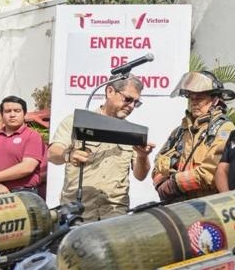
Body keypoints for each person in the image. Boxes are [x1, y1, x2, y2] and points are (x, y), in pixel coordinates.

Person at [49, 77, 156, 219]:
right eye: (128, 99)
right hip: (79, 212)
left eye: (136, 103)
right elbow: (52, 153)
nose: (131, 106)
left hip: (114, 214)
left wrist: (143, 156)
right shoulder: (77, 121)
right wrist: (68, 155)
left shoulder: (131, 132)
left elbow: (140, 175)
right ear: (110, 91)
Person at [153, 71, 235, 203]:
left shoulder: (224, 129)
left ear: (214, 100)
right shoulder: (180, 132)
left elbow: (210, 172)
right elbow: (158, 163)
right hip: (178, 206)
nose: (194, 102)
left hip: (207, 206)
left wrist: (173, 184)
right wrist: (159, 183)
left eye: (200, 98)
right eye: (191, 98)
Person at [0, 96, 45, 195]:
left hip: (22, 193)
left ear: (24, 114)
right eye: (8, 111)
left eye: (17, 111)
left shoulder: (32, 136)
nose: (12, 115)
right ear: (2, 114)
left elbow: (27, 167)